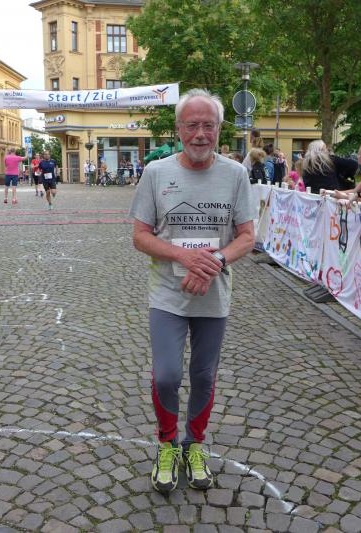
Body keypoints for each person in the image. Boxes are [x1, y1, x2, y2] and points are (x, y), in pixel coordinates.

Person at [129, 88, 256, 494]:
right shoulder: (156, 173)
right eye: (192, 125)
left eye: (209, 125)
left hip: (213, 294)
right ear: (179, 129)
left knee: (203, 375)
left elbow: (247, 237)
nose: (200, 134)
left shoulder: (235, 175)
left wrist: (214, 262)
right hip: (168, 294)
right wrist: (183, 256)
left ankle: (194, 444)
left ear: (219, 129)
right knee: (167, 375)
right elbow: (140, 236)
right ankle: (167, 444)